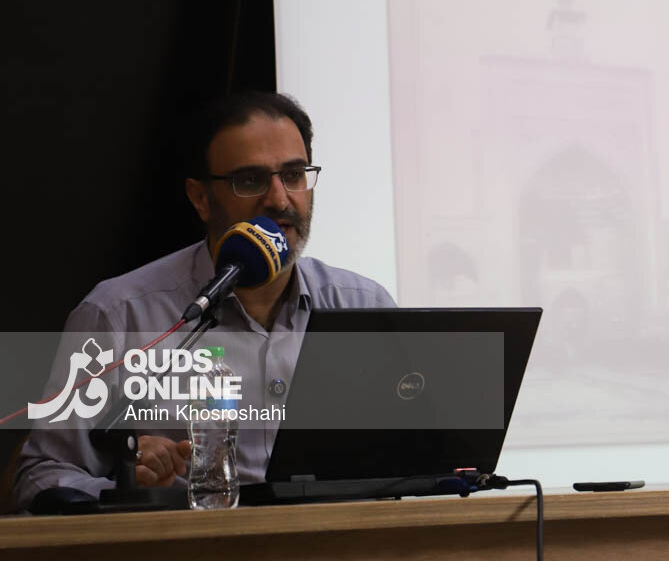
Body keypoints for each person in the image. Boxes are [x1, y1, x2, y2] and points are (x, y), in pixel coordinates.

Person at [12, 92, 394, 511]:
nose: (280, 199)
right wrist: (127, 490)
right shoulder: (120, 315)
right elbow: (40, 476)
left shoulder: (364, 306)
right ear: (200, 198)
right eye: (250, 180)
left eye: (293, 175)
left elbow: (411, 460)